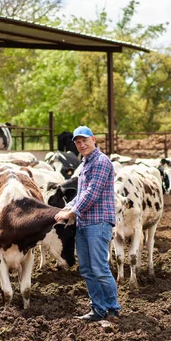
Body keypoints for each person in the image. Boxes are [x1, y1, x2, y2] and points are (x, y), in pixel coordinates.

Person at [54, 125, 121, 322]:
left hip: (98, 223)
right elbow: (81, 195)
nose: (82, 144)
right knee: (86, 268)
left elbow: (92, 193)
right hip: (84, 223)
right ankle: (97, 309)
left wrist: (71, 212)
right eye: (78, 142)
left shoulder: (101, 162)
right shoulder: (84, 165)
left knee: (99, 267)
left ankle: (112, 309)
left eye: (85, 140)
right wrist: (66, 210)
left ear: (93, 140)